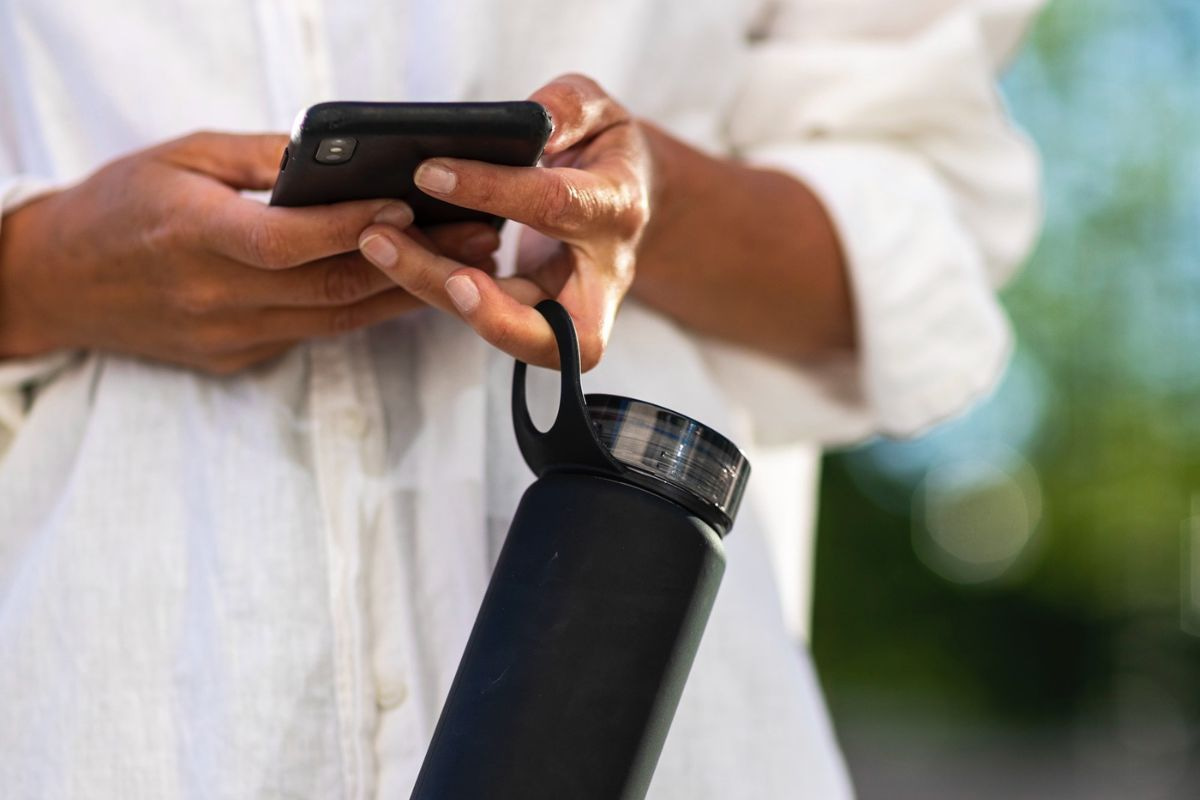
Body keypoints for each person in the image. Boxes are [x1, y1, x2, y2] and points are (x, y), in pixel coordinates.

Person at [0, 0, 1043, 797]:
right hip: (99, 710)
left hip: (666, 720)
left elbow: (920, 225)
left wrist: (644, 208)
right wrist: (43, 269)